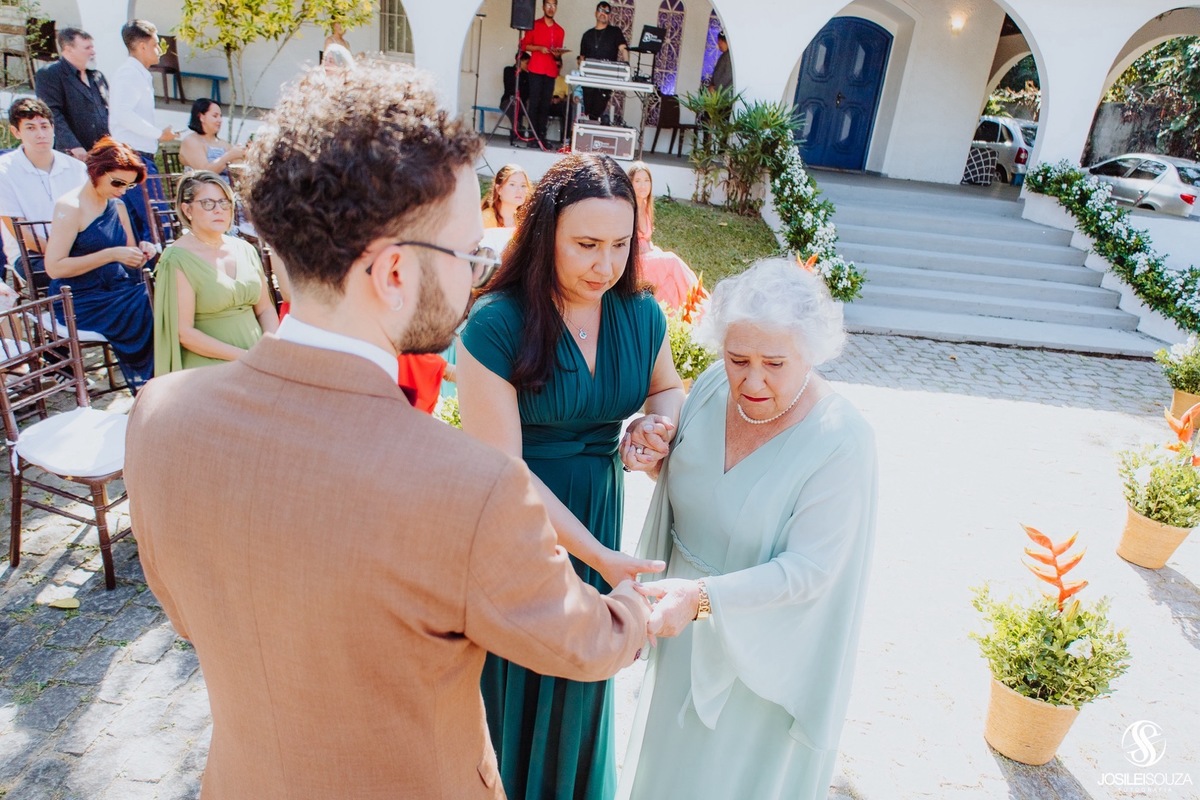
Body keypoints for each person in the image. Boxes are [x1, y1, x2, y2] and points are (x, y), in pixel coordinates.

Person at [124, 62, 651, 799]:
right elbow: (586, 642)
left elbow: (187, 610)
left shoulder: (159, 415)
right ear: (395, 273)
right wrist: (654, 606)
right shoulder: (471, 486)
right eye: (468, 254)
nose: (476, 274)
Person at [458, 152, 684, 800]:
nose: (604, 265)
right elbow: (504, 469)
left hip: (597, 518)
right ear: (545, 233)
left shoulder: (639, 314)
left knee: (582, 692)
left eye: (619, 245)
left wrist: (655, 425)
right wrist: (598, 556)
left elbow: (667, 388)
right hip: (518, 529)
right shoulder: (495, 324)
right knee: (516, 690)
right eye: (586, 244)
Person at [617, 258, 878, 800]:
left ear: (812, 350)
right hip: (684, 626)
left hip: (767, 648)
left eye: (774, 363)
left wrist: (703, 599)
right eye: (738, 358)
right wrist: (651, 452)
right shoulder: (713, 388)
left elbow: (809, 572)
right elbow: (708, 488)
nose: (751, 379)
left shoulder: (842, 439)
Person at [42, 137, 155, 389]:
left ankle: (164, 378)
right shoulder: (70, 207)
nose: (123, 190)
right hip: (80, 299)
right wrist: (112, 254)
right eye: (117, 182)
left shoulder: (117, 205)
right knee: (151, 303)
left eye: (129, 185)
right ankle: (149, 383)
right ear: (96, 172)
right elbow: (54, 267)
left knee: (165, 295)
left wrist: (142, 252)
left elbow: (130, 256)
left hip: (117, 289)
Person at [152, 171, 278, 375]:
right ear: (187, 209)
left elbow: (265, 309)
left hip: (259, 358)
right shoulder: (176, 259)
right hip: (209, 366)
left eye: (224, 202)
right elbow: (184, 333)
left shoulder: (245, 249)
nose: (219, 210)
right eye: (208, 203)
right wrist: (246, 357)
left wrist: (269, 348)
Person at [0, 97, 88, 291]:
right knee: (80, 277)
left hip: (79, 251)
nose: (40, 134)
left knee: (121, 272)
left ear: (53, 128)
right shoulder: (4, 172)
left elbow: (91, 215)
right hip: (31, 256)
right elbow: (22, 235)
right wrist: (71, 258)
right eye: (30, 128)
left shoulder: (76, 168)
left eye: (44, 126)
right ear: (16, 132)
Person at [109, 19, 178, 244]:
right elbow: (123, 114)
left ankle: (143, 276)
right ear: (142, 46)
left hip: (135, 158)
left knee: (139, 227)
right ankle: (155, 275)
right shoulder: (129, 73)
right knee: (158, 224)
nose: (159, 50)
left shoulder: (139, 74)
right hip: (134, 159)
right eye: (156, 44)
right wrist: (159, 134)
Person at [627, 162, 700, 309]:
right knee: (672, 260)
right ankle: (696, 299)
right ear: (630, 183)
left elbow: (647, 239)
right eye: (638, 181)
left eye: (646, 181)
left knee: (671, 282)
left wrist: (653, 251)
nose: (643, 185)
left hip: (647, 256)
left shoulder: (646, 206)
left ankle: (684, 309)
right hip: (635, 262)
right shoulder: (629, 208)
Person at [35, 28, 109, 161]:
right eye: (87, 48)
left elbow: (108, 111)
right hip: (73, 155)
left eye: (92, 47)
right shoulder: (50, 74)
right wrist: (73, 145)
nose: (93, 52)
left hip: (104, 153)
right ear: (69, 49)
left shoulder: (97, 76)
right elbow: (51, 113)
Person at [518, 0, 565, 147]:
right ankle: (533, 137)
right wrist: (539, 48)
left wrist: (557, 54)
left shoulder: (560, 30)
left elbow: (558, 55)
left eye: (554, 5)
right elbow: (524, 45)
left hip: (550, 70)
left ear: (557, 7)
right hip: (536, 68)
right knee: (535, 103)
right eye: (548, 5)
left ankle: (542, 137)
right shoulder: (535, 25)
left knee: (545, 104)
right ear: (543, 7)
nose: (551, 8)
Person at [579, 1, 628, 123]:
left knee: (598, 109)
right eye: (601, 10)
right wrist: (581, 74)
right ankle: (588, 130)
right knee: (588, 110)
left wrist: (626, 64)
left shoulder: (615, 32)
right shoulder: (587, 35)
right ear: (596, 13)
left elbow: (623, 48)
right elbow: (582, 58)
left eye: (607, 12)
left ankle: (594, 129)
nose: (603, 14)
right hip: (589, 78)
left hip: (606, 77)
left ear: (610, 15)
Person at [178, 99, 246, 176]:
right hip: (201, 186)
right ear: (201, 117)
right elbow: (204, 173)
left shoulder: (223, 144)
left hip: (227, 187)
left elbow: (241, 170)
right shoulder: (191, 141)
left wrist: (247, 154)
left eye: (220, 116)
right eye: (215, 116)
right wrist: (229, 156)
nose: (220, 120)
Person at [481, 164, 532, 229]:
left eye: (523, 185)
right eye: (512, 184)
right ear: (499, 189)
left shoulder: (523, 221)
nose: (520, 190)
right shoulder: (486, 219)